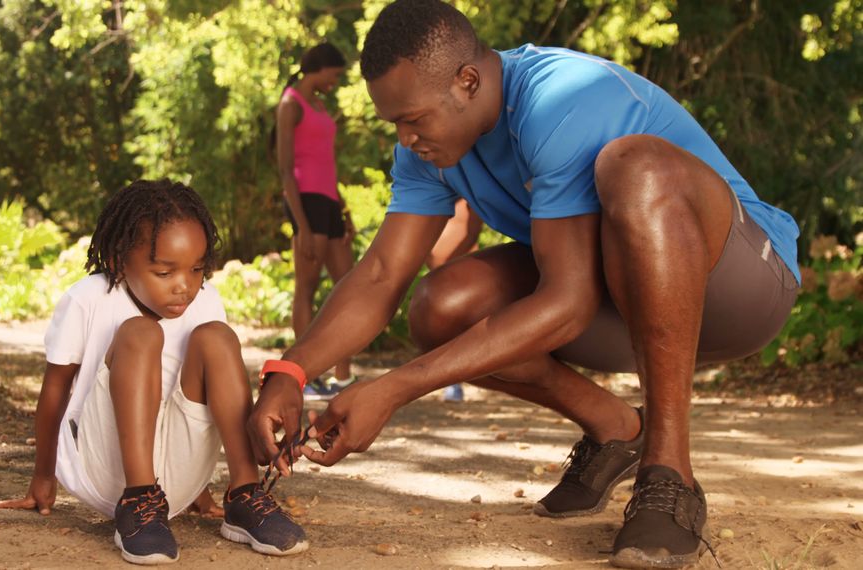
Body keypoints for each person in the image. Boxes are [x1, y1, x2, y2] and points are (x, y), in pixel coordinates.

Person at [247, 1, 800, 568]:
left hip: (740, 286)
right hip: (626, 307)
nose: (406, 138)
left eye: (414, 119)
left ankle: (669, 473)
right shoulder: (428, 150)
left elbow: (567, 304)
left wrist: (390, 389)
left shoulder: (561, 97)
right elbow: (383, 273)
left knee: (635, 167)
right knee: (440, 307)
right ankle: (616, 430)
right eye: (395, 124)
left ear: (468, 82)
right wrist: (290, 371)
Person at [0, 180, 307, 564]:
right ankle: (139, 498)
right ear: (118, 260)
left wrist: (195, 487)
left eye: (196, 269)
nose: (185, 287)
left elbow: (202, 401)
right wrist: (44, 476)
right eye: (165, 273)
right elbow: (56, 389)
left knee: (218, 337)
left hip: (175, 476)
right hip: (105, 466)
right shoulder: (88, 299)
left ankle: (244, 495)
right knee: (141, 332)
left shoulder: (206, 298)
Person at [275, 43, 357, 399]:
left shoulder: (320, 105)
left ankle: (343, 374)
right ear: (320, 69)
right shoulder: (290, 104)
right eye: (335, 75)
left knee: (348, 286)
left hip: (329, 201)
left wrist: (345, 209)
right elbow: (285, 170)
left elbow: (327, 163)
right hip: (305, 203)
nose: (335, 82)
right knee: (306, 289)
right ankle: (303, 376)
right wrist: (303, 226)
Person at [426, 198, 484, 402]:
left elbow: (472, 232)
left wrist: (450, 262)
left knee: (461, 324)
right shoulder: (436, 191)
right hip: (439, 272)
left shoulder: (470, 195)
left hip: (461, 268)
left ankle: (456, 379)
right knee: (442, 324)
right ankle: (450, 380)